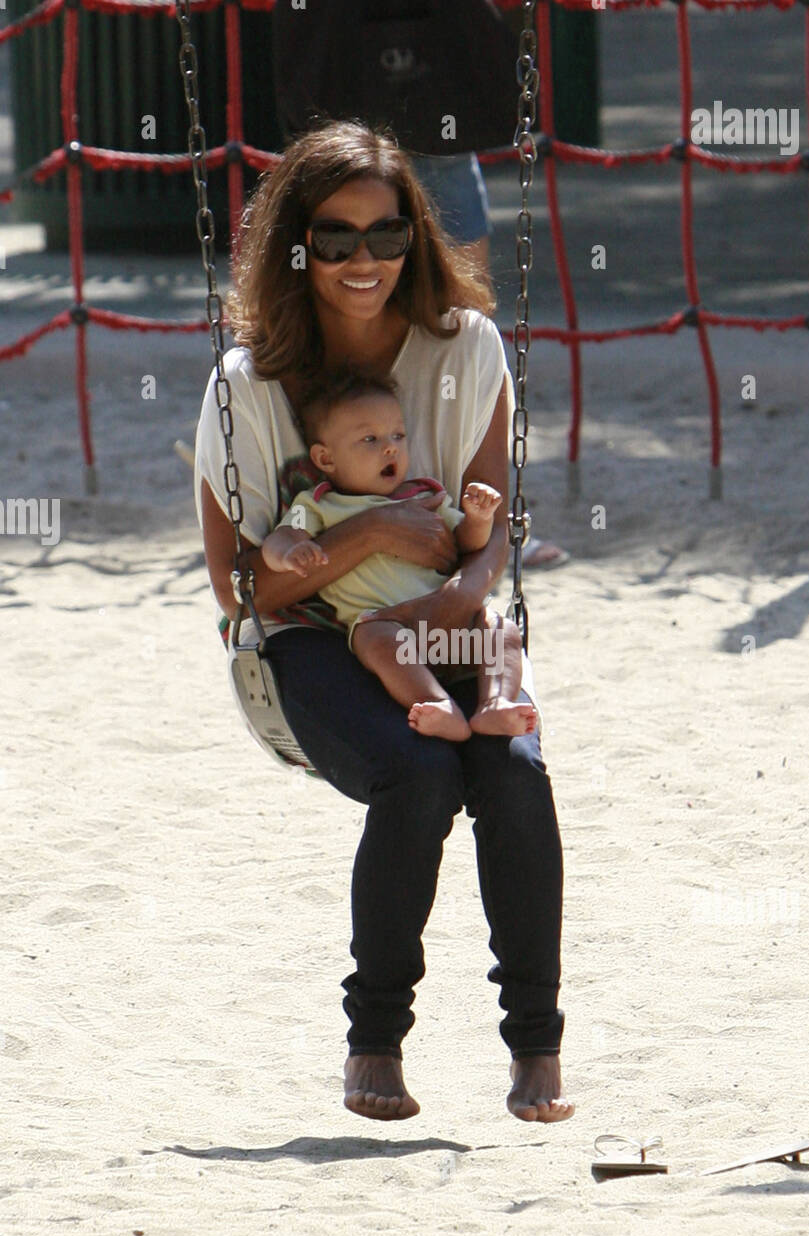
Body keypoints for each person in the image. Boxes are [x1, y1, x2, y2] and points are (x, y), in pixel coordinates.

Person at [194, 118, 573, 1124]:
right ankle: (375, 1044)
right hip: (312, 634)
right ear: (296, 248)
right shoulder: (247, 385)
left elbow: (491, 527)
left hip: (440, 614)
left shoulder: (468, 349)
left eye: (387, 234)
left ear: (415, 237)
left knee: (512, 764)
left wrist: (453, 596)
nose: (364, 260)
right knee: (418, 770)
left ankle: (536, 1046)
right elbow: (240, 593)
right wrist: (366, 541)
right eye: (335, 238)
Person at [271, 0, 569, 568]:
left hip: (433, 63)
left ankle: (473, 511)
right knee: (333, 282)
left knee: (456, 323)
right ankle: (326, 501)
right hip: (347, 55)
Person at [261, 367, 538, 741]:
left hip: (449, 624)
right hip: (389, 631)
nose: (390, 447)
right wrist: (291, 553)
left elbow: (466, 544)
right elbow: (278, 540)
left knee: (499, 628)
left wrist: (477, 517)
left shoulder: (424, 497)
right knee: (373, 636)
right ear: (326, 459)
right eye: (370, 439)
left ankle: (495, 702)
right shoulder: (317, 504)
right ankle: (436, 702)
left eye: (398, 435)